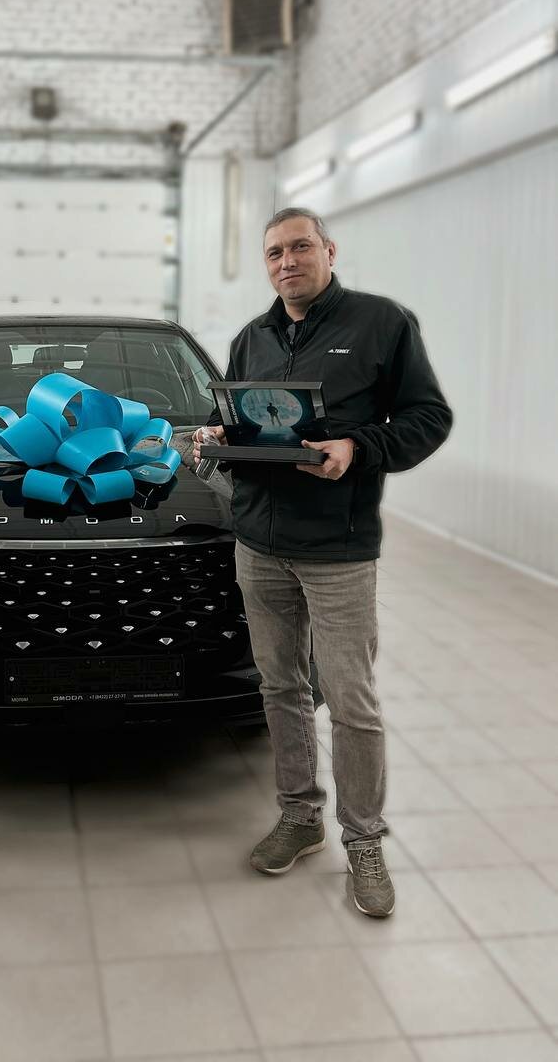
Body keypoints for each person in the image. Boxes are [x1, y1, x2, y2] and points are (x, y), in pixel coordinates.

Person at [193, 207, 452, 918]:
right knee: (280, 688)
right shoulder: (251, 338)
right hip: (258, 543)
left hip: (337, 548)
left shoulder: (381, 324)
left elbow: (427, 417)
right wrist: (213, 436)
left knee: (350, 700)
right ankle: (299, 816)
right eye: (274, 252)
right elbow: (243, 426)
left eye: (300, 247)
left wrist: (357, 448)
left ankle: (363, 840)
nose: (287, 262)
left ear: (329, 251)